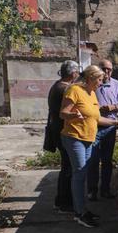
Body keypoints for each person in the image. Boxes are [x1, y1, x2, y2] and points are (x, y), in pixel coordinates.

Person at [60, 65, 118, 228]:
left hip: (88, 138)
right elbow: (63, 113)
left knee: (83, 173)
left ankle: (82, 209)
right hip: (74, 137)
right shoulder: (74, 90)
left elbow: (97, 119)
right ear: (90, 78)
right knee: (80, 173)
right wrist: (73, 115)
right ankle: (79, 213)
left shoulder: (91, 93)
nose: (101, 83)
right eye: (99, 80)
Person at [87, 59, 118, 201]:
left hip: (110, 128)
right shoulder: (93, 84)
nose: (106, 72)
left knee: (107, 161)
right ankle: (92, 191)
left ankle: (105, 190)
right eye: (104, 68)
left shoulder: (116, 84)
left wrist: (113, 107)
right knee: (93, 161)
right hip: (94, 127)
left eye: (109, 69)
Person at [45, 60, 80, 214]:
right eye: (77, 72)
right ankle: (64, 202)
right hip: (62, 132)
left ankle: (60, 200)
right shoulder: (64, 89)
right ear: (73, 73)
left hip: (57, 130)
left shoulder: (57, 86)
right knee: (68, 167)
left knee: (66, 166)